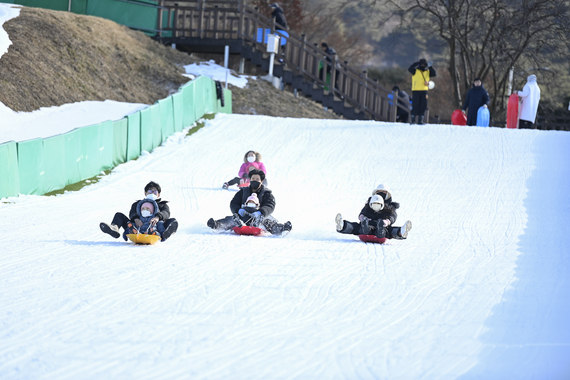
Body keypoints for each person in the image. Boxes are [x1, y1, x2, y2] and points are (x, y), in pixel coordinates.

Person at [208, 170, 292, 235]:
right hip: (244, 214)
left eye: (257, 179)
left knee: (269, 222)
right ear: (250, 180)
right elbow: (234, 203)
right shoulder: (243, 191)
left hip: (260, 217)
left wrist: (261, 212)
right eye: (253, 179)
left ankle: (282, 228)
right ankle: (217, 225)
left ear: (261, 181)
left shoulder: (266, 193)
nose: (255, 180)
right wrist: (238, 211)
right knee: (231, 219)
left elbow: (270, 205)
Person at [100, 181, 178, 242]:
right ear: (145, 193)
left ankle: (166, 233)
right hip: (137, 225)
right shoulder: (138, 204)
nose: (152, 193)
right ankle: (114, 228)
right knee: (119, 215)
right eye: (150, 191)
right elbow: (132, 212)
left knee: (172, 221)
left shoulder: (162, 205)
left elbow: (166, 213)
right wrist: (136, 219)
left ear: (158, 194)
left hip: (155, 227)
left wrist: (157, 217)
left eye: (155, 192)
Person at [335, 184, 412, 240]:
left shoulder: (391, 207)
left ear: (388, 194)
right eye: (379, 191)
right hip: (369, 223)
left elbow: (393, 216)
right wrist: (362, 218)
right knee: (357, 227)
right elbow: (363, 212)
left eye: (383, 192)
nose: (381, 193)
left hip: (382, 225)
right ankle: (343, 225)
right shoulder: (370, 204)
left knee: (389, 231)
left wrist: (387, 221)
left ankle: (401, 232)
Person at [408, 58, 436, 125]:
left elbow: (434, 74)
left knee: (423, 105)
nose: (423, 66)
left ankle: (420, 120)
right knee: (415, 105)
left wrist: (430, 67)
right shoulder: (415, 70)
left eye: (424, 64)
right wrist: (416, 63)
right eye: (422, 64)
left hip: (424, 90)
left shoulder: (428, 71)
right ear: (419, 64)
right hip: (416, 90)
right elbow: (409, 69)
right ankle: (413, 120)